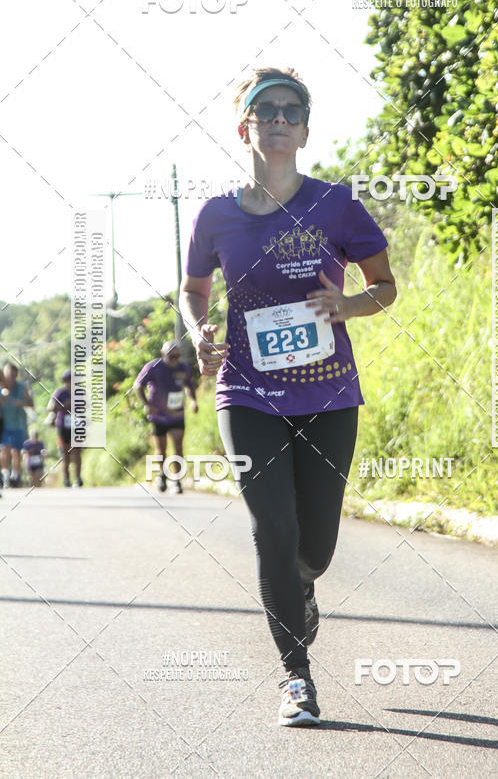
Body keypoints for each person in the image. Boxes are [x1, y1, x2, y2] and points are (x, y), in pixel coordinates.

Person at [179, 67, 396, 727]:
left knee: (315, 549)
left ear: (304, 128)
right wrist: (200, 331)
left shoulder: (337, 205)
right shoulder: (216, 214)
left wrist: (346, 303)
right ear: (243, 125)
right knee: (272, 530)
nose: (277, 118)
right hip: (245, 393)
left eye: (290, 109)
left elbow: (384, 286)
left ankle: (302, 585)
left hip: (328, 395)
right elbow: (191, 290)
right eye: (263, 109)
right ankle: (295, 677)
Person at [134, 341, 198, 494]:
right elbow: (138, 386)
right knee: (161, 449)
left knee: (178, 446)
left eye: (177, 356)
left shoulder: (183, 368)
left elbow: (189, 386)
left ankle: (177, 480)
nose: (175, 359)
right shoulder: (153, 367)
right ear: (163, 354)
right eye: (171, 356)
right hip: (158, 416)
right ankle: (161, 476)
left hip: (177, 414)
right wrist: (147, 403)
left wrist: (194, 401)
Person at [0, 362, 34, 488]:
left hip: (18, 424)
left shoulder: (21, 386)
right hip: (4, 424)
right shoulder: (1, 387)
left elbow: (31, 403)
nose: (11, 379)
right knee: (4, 449)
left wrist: (21, 402)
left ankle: (15, 475)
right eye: (9, 375)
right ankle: (5, 475)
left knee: (16, 451)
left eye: (14, 376)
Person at [47, 370, 83, 487]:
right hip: (63, 426)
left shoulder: (80, 392)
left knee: (77, 452)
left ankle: (78, 478)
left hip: (76, 425)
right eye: (69, 381)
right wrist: (65, 404)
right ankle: (67, 479)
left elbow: (87, 405)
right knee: (65, 453)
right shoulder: (59, 393)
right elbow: (51, 407)